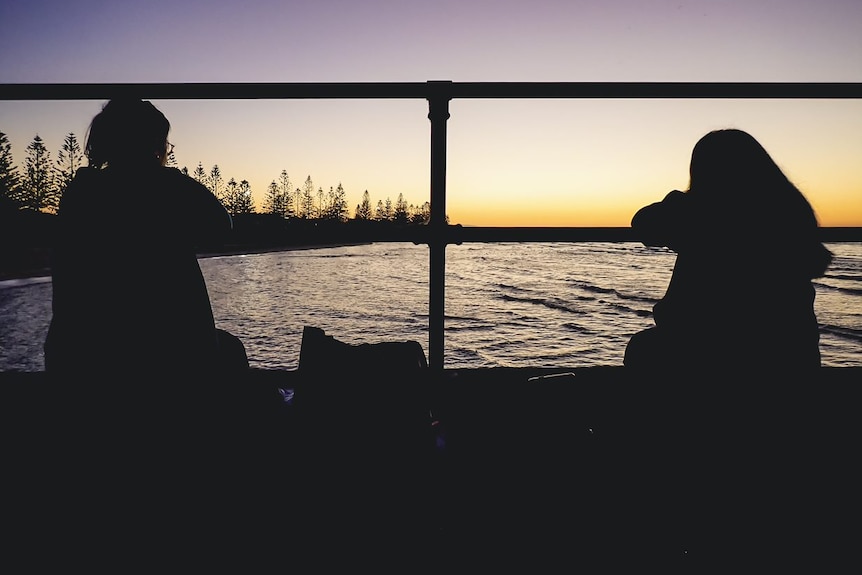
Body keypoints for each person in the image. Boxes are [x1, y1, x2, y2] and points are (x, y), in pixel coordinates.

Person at [44, 98, 248, 381]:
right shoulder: (169, 186)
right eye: (163, 142)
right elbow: (221, 227)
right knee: (230, 353)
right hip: (172, 349)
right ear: (154, 144)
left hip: (81, 351)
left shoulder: (82, 192)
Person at [623, 128, 833, 374]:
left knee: (642, 348)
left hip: (711, 350)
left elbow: (644, 224)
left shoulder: (703, 215)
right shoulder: (788, 213)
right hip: (794, 352)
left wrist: (682, 199)